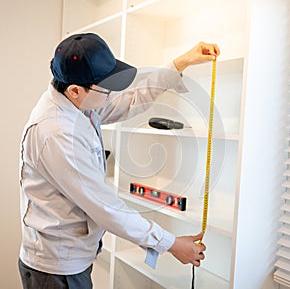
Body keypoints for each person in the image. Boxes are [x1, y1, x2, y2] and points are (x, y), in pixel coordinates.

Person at [18, 33, 220, 288]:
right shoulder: (56, 133)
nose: (113, 94)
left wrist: (179, 64)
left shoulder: (78, 101)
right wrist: (171, 244)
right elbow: (107, 209)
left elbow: (132, 100)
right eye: (107, 89)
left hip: (72, 259)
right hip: (56, 270)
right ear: (75, 90)